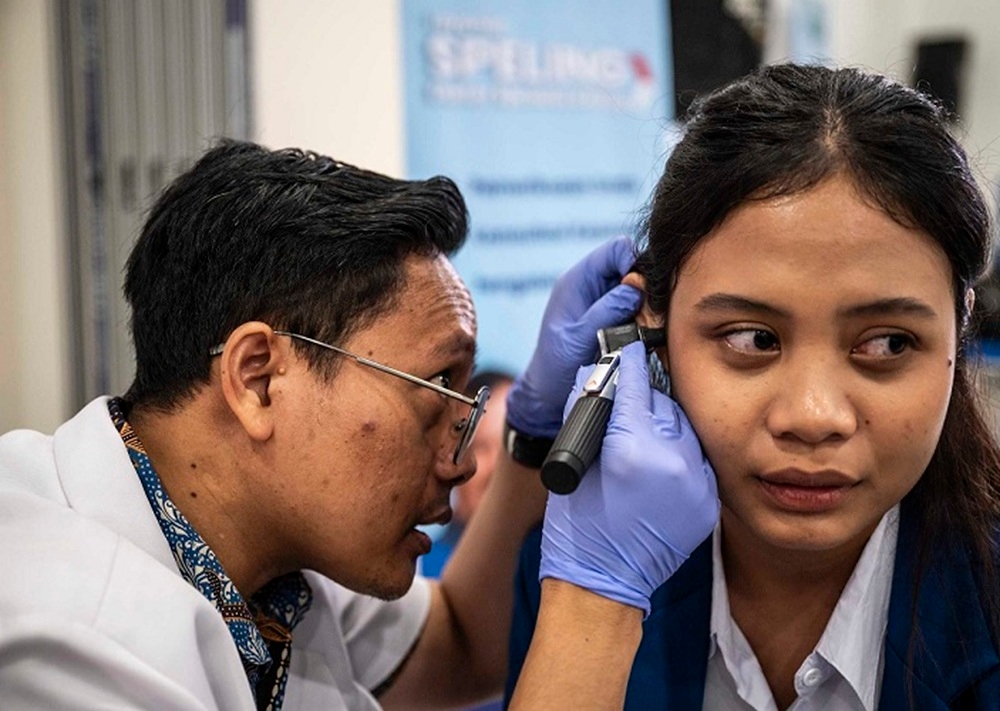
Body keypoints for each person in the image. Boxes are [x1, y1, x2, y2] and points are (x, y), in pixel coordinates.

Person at [0, 140, 643, 709]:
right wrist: (601, 595)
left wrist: (532, 439)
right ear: (259, 379)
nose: (464, 461)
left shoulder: (269, 553)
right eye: (438, 386)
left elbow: (463, 646)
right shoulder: (71, 644)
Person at [506, 63, 1000, 709]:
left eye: (887, 344)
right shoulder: (573, 578)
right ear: (648, 325)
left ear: (958, 331)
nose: (814, 416)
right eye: (753, 338)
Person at [420, 370, 515, 579]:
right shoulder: (421, 578)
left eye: (511, 446)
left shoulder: (553, 577)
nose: (497, 467)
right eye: (480, 447)